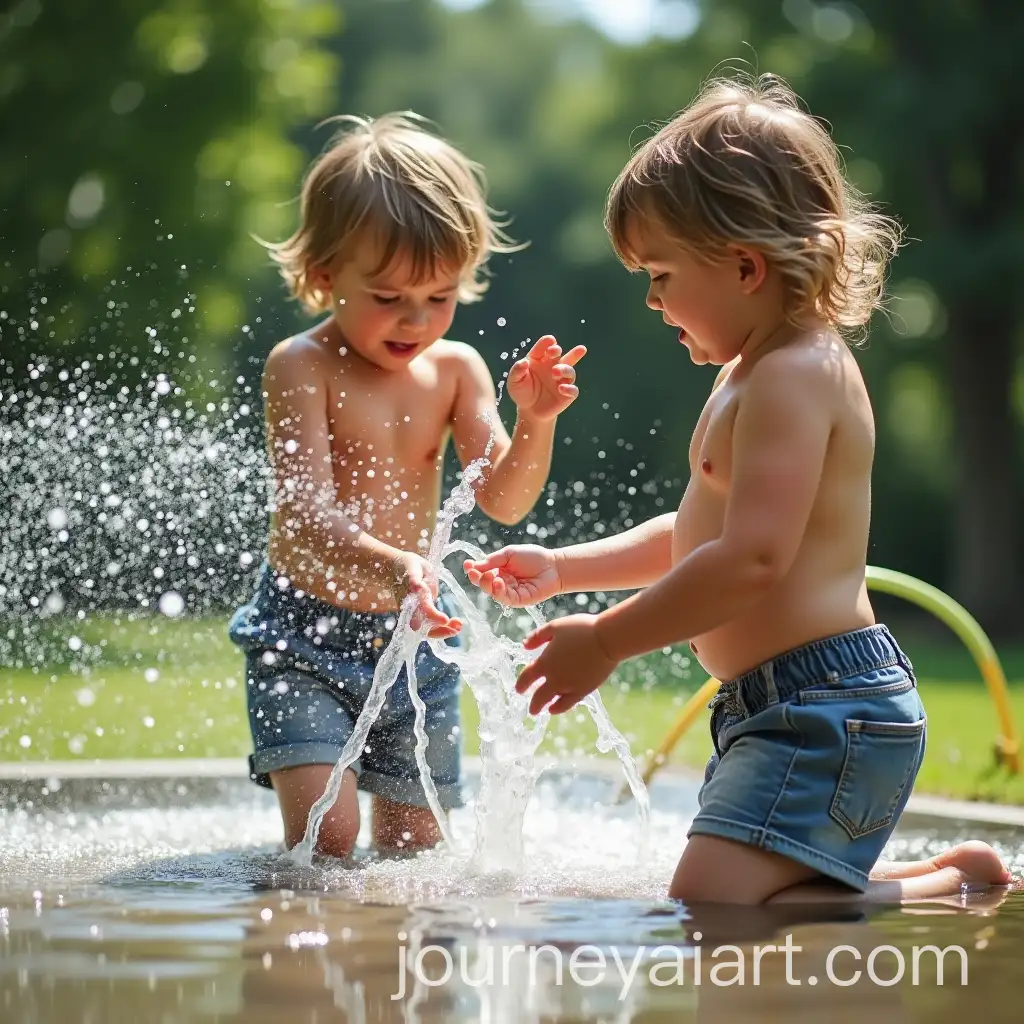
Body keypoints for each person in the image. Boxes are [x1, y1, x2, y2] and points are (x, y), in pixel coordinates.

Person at [465, 75, 1012, 904]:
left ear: (746, 267)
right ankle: (940, 875)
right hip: (781, 706)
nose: (650, 300)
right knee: (734, 899)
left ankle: (936, 890)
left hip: (828, 708)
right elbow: (703, 531)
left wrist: (608, 641)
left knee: (713, 907)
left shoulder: (796, 377)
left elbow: (752, 559)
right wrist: (567, 567)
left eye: (660, 274)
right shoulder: (745, 373)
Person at [229, 112, 585, 859]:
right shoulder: (301, 365)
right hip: (299, 635)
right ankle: (302, 961)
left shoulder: (456, 371)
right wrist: (402, 566)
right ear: (325, 275)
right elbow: (306, 517)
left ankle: (402, 973)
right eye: (390, 296)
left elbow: (503, 499)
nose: (417, 320)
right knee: (329, 834)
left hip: (415, 638)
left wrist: (537, 422)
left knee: (415, 846)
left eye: (440, 296)